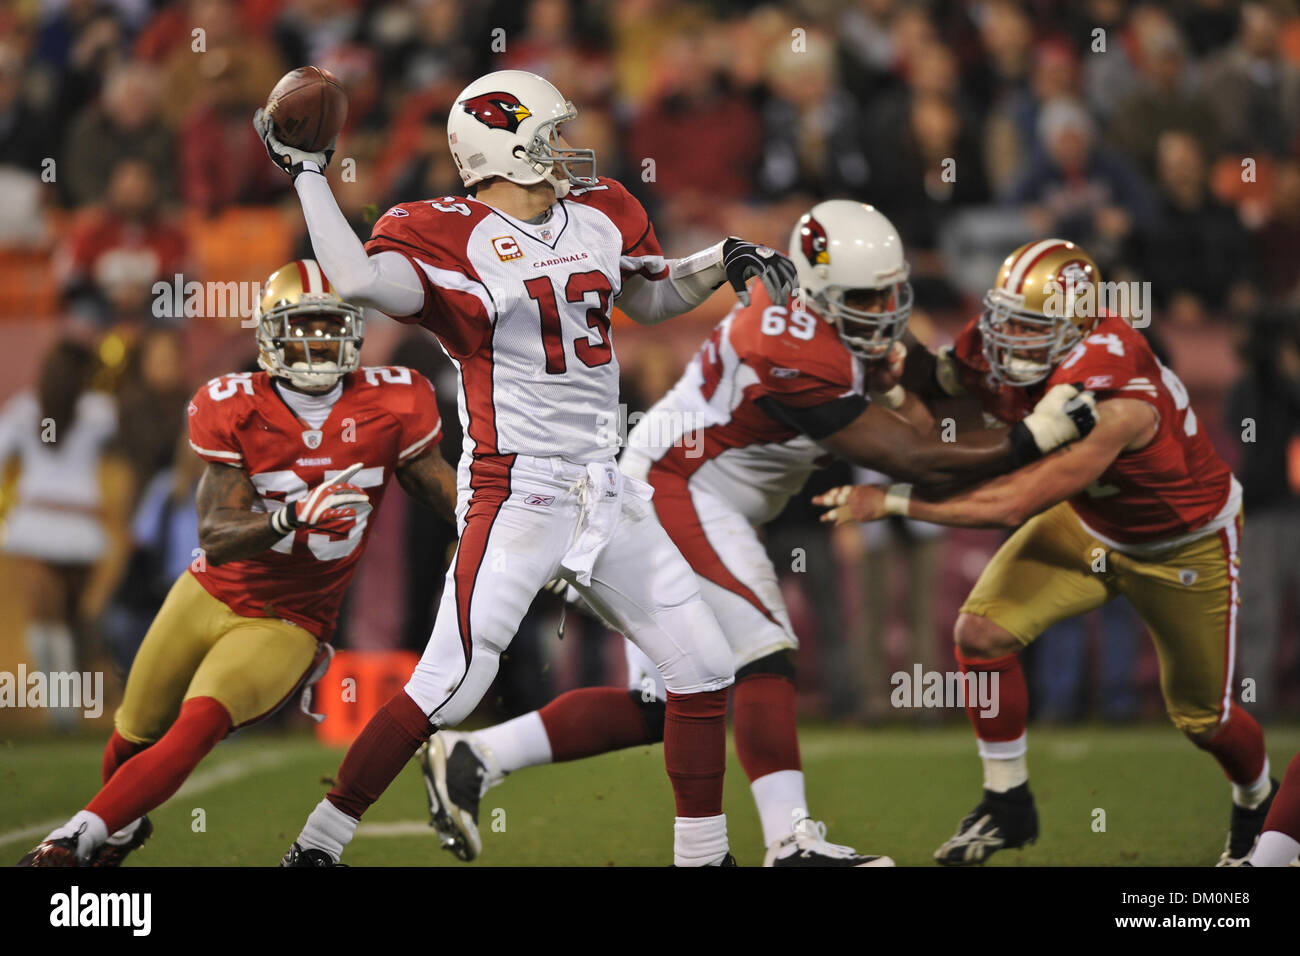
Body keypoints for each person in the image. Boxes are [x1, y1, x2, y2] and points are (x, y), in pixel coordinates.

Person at [417, 202, 1096, 866]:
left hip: (695, 490)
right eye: (866, 295)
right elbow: (912, 458)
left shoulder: (843, 325)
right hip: (679, 489)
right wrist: (1034, 439)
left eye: (893, 292)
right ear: (817, 291)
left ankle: (479, 756)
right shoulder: (784, 343)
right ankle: (791, 840)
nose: (885, 310)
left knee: (662, 707)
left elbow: (932, 397)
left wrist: (986, 391)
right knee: (762, 649)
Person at [262, 69, 801, 867]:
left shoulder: (602, 213)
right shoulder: (442, 230)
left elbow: (649, 298)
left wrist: (723, 260)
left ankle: (704, 857)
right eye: (549, 136)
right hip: (516, 490)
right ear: (505, 148)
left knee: (703, 668)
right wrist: (309, 176)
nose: (566, 150)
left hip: (604, 485)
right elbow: (357, 279)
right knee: (455, 680)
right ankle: (320, 844)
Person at [818, 239, 1273, 867]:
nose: (1010, 340)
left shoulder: (1120, 398)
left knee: (1203, 719)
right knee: (980, 632)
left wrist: (896, 502)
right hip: (1089, 519)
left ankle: (1256, 798)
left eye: (1031, 328)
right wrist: (897, 370)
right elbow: (949, 382)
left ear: (1077, 327)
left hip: (1180, 543)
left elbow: (1013, 501)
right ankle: (1008, 805)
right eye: (1008, 320)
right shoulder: (1014, 339)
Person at [17, 260, 459, 866]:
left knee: (199, 722)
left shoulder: (393, 401)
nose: (318, 342)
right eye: (303, 327)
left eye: (330, 327)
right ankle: (115, 835)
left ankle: (74, 839)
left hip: (289, 619)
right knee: (131, 734)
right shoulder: (233, 403)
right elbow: (217, 533)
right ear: (270, 335)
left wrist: (504, 524)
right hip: (209, 590)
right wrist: (292, 515)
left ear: (353, 332)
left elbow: (442, 490)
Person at [0, 339, 130, 731]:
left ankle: (63, 709)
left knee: (49, 616)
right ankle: (66, 710)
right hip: (79, 526)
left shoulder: (25, 410)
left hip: (36, 520)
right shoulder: (100, 411)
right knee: (66, 617)